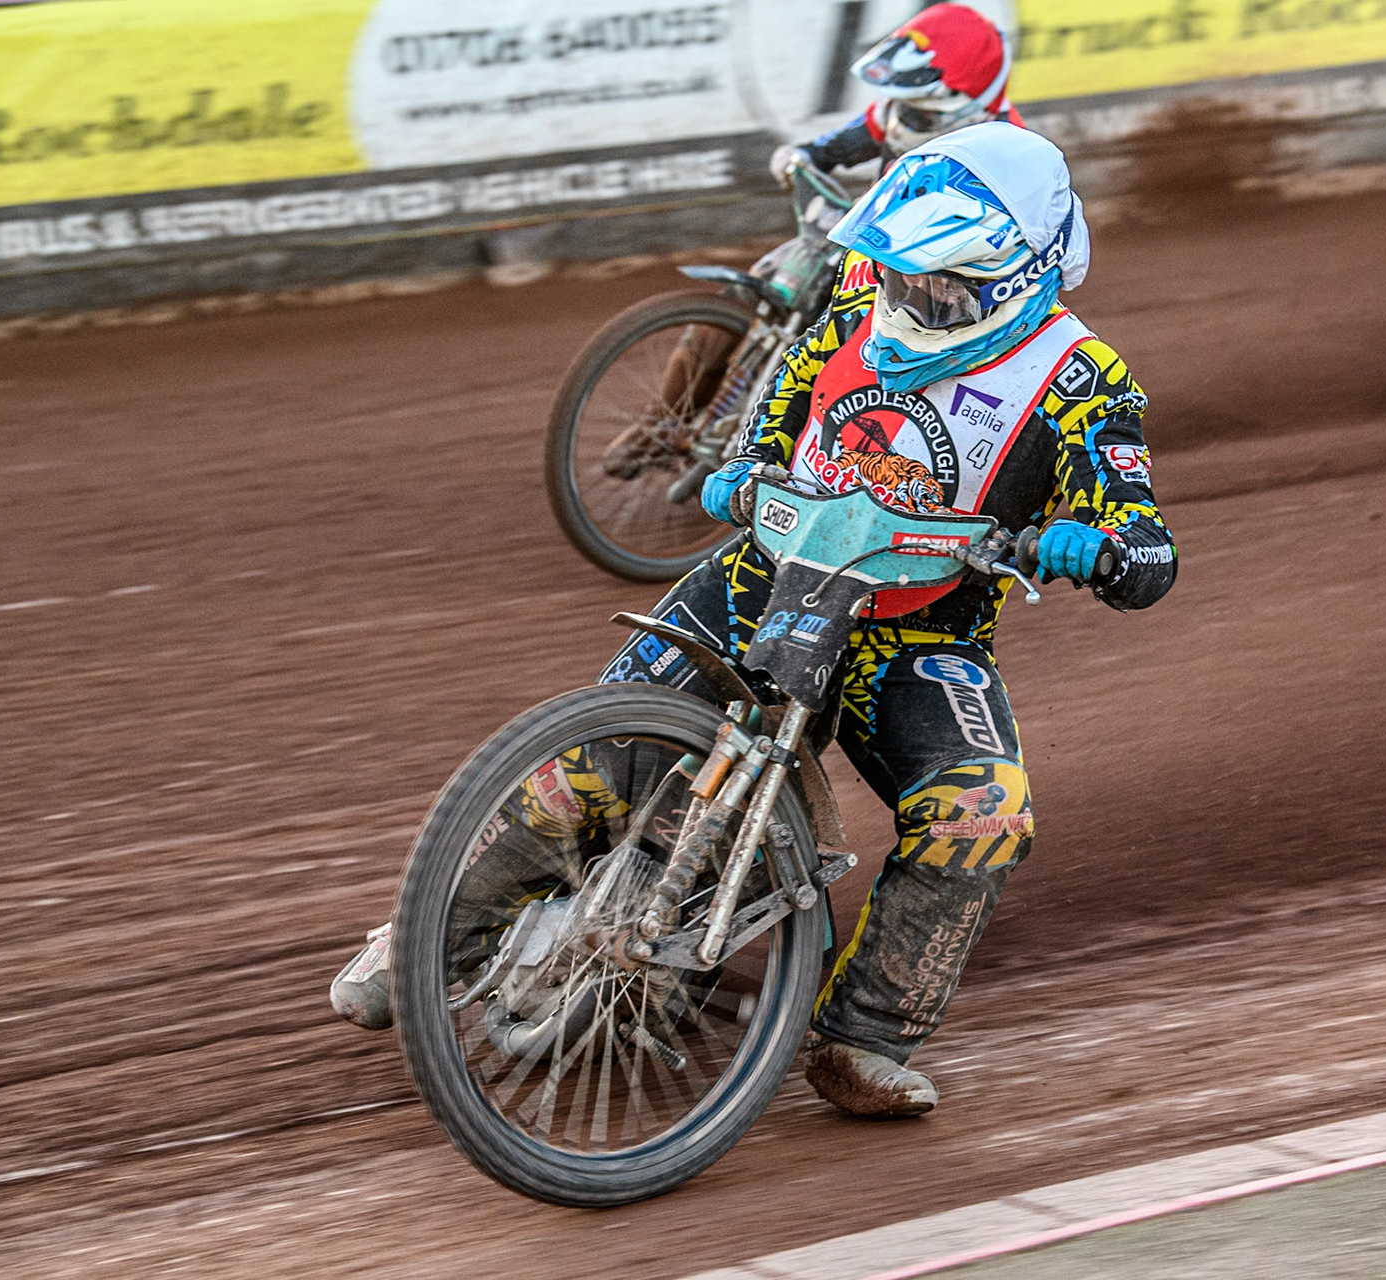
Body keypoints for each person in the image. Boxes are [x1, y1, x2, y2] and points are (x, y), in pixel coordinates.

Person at [333, 123, 1178, 1120]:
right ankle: (429, 931)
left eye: (941, 288)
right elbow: (791, 387)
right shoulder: (865, 295)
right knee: (599, 747)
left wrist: (1104, 549)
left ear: (1018, 277)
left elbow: (1144, 532)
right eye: (904, 276)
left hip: (918, 632)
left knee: (982, 809)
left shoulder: (1082, 380)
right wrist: (747, 460)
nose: (912, 299)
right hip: (766, 573)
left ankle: (862, 1035)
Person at [769, 3, 1023, 187]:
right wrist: (806, 156)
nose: (909, 115)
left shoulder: (1006, 151)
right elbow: (841, 146)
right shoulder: (892, 114)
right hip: (881, 240)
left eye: (923, 110)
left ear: (960, 104)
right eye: (908, 105)